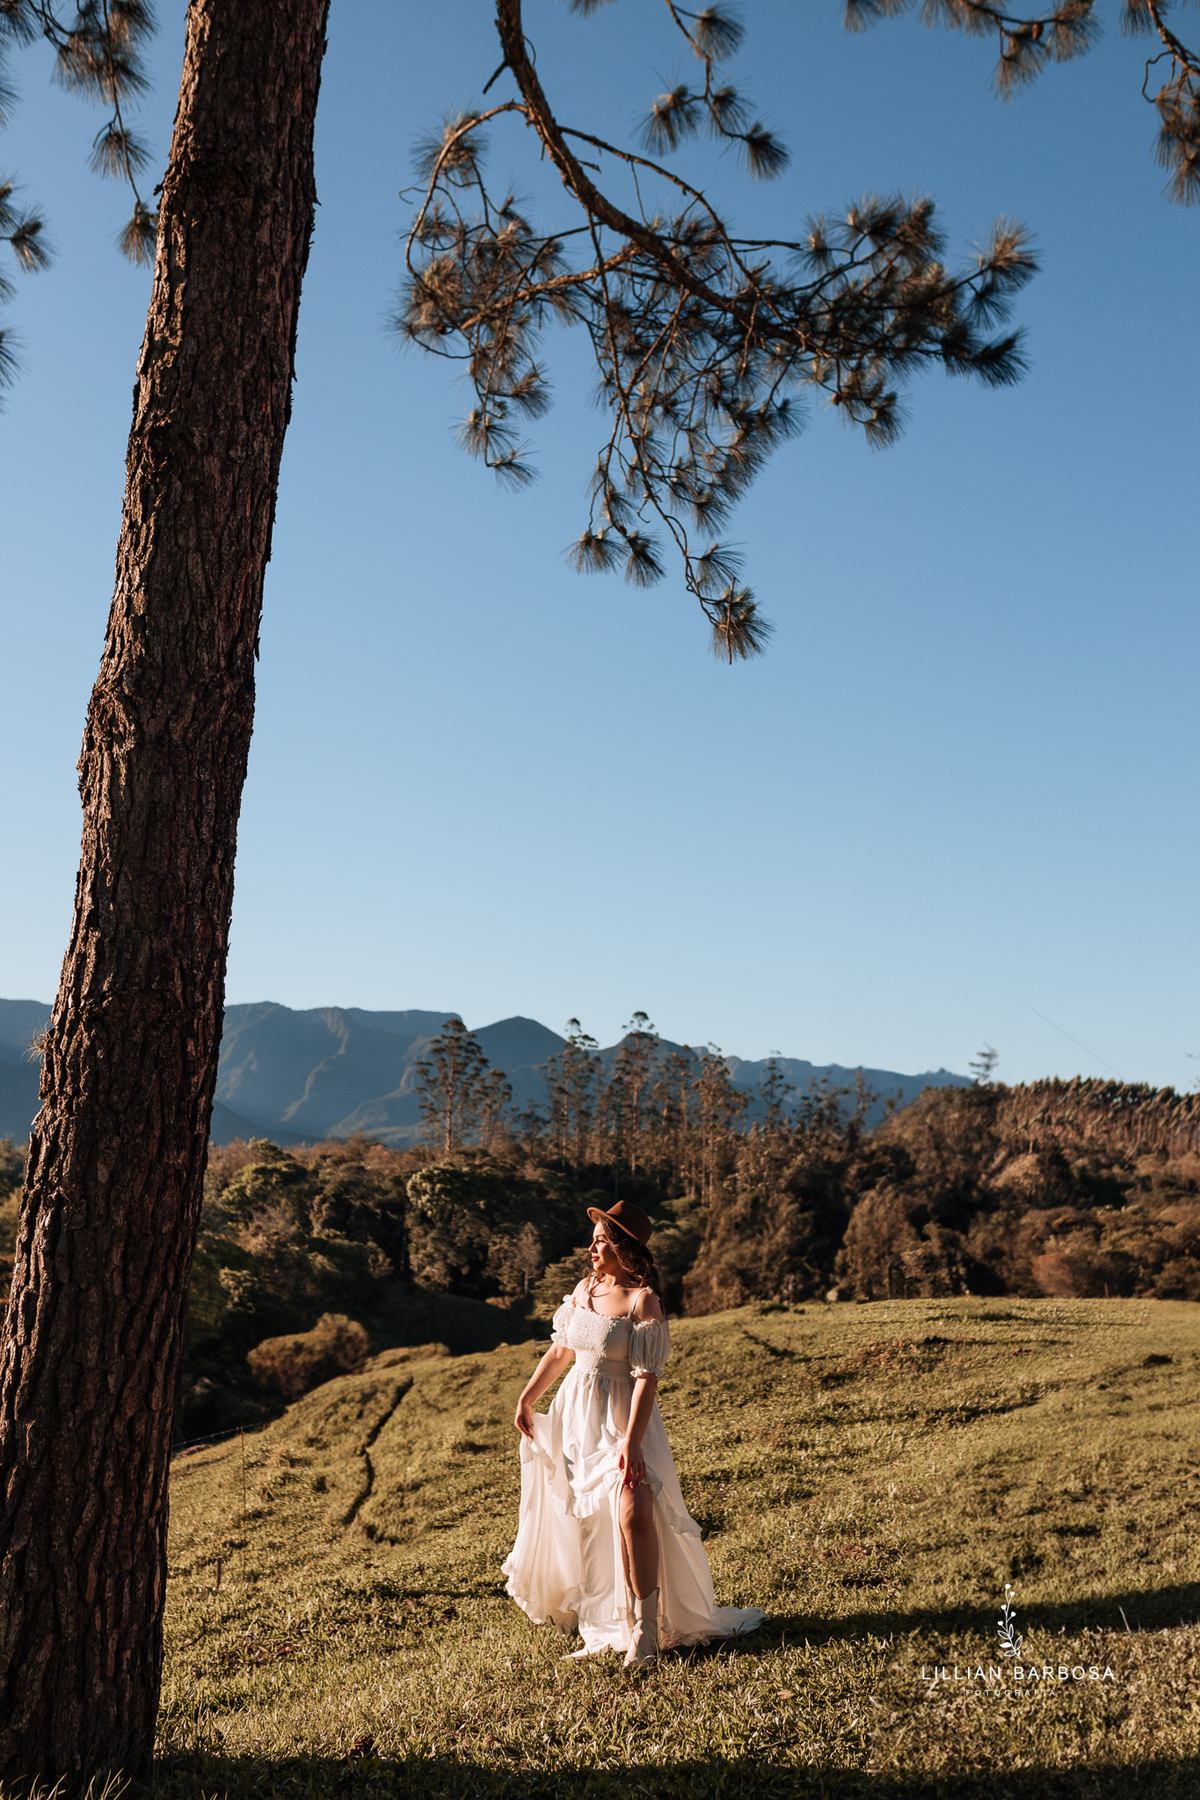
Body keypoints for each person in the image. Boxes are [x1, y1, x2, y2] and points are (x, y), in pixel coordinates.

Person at [503, 1198, 766, 1667]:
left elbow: (647, 1377)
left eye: (601, 1240)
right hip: (577, 1419)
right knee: (590, 1521)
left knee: (633, 1511)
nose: (591, 1247)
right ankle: (601, 1627)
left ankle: (646, 1630)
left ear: (623, 1247)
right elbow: (560, 1352)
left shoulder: (644, 1302)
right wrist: (527, 1398)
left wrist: (630, 1441)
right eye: (595, 1239)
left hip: (625, 1421)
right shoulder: (584, 1290)